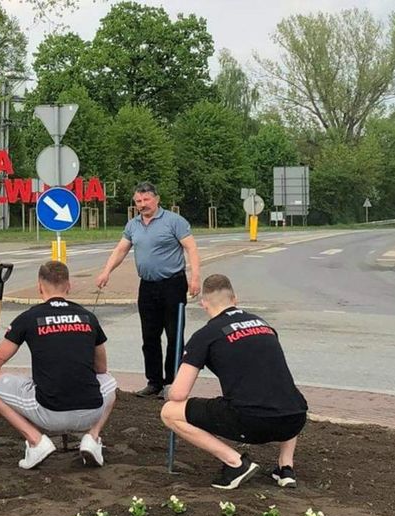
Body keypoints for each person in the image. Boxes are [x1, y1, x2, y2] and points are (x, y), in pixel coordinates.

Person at [160, 274, 308, 490]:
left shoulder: (206, 335)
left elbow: (179, 394)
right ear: (235, 299)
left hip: (253, 421)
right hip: (294, 418)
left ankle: (235, 463)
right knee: (283, 392)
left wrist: (168, 390)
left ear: (204, 304)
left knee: (169, 411)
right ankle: (286, 467)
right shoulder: (264, 325)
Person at [0, 261, 117, 470]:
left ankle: (36, 441)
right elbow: (101, 369)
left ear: (39, 286)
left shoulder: (29, 317)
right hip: (91, 410)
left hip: (48, 412)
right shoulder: (89, 317)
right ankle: (92, 437)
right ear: (68, 286)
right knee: (110, 383)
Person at [94, 181, 200, 397]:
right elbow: (121, 250)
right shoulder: (133, 225)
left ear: (156, 199)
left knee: (174, 336)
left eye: (146, 200)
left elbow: (191, 247)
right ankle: (154, 382)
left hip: (173, 284)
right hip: (147, 287)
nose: (143, 204)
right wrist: (106, 272)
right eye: (138, 201)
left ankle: (172, 383)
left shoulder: (174, 221)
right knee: (149, 337)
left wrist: (195, 277)